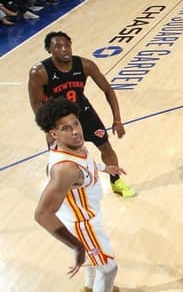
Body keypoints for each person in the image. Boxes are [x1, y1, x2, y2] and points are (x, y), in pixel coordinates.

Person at [34, 98, 130, 292]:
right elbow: (43, 214)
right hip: (83, 224)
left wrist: (106, 168)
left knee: (98, 263)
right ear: (53, 134)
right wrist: (77, 247)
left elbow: (86, 161)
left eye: (76, 123)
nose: (76, 131)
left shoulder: (75, 145)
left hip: (83, 216)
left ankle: (89, 287)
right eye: (66, 128)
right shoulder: (65, 169)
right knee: (109, 269)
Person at [28, 31, 136, 197]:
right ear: (49, 50)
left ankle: (116, 182)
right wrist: (47, 127)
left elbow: (107, 89)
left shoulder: (86, 65)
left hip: (83, 112)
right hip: (58, 121)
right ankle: (59, 191)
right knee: (58, 159)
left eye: (67, 45)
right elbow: (36, 102)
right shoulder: (39, 72)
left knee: (106, 147)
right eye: (58, 46)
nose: (64, 49)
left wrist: (117, 119)